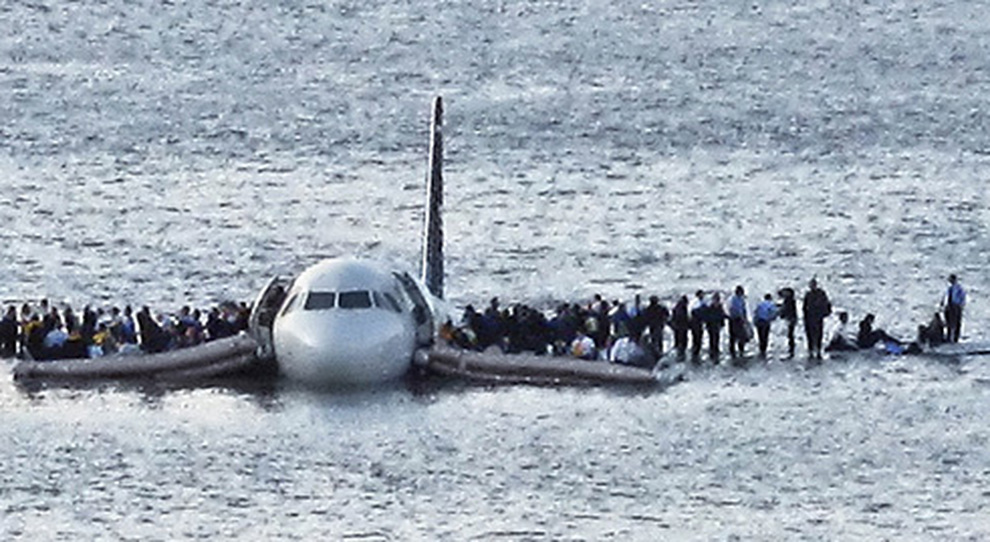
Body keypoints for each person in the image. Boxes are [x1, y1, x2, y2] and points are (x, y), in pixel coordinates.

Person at [802, 279, 832, 359]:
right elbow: (804, 307)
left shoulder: (820, 294)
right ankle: (811, 350)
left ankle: (817, 350)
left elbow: (827, 304)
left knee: (818, 334)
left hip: (817, 317)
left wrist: (825, 313)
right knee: (810, 334)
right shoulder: (809, 294)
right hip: (810, 317)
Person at [703, 292, 727, 362]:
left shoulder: (720, 307)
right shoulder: (710, 307)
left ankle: (716, 350)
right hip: (711, 325)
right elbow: (707, 317)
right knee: (712, 338)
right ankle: (712, 351)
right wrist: (707, 324)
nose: (716, 301)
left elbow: (722, 315)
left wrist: (722, 323)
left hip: (717, 325)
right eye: (715, 300)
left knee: (717, 338)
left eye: (717, 300)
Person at [728, 286, 749, 358]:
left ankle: (740, 349)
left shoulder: (741, 299)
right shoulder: (733, 299)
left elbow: (743, 309)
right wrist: (743, 318)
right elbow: (737, 310)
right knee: (734, 335)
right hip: (735, 319)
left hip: (739, 319)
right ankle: (733, 350)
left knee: (741, 335)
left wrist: (745, 318)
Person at [944, 274, 966, 343]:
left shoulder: (959, 288)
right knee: (949, 321)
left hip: (956, 305)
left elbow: (962, 297)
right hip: (949, 305)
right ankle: (949, 336)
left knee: (956, 322)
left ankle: (956, 338)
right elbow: (946, 297)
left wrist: (961, 305)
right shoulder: (949, 288)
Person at [778, 287, 798, 358]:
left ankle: (791, 351)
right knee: (790, 334)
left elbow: (787, 310)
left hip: (791, 319)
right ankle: (791, 350)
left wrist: (782, 313)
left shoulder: (789, 301)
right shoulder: (790, 300)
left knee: (790, 335)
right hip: (791, 318)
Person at [669, 295, 690, 359]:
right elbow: (682, 317)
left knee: (678, 340)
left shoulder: (677, 307)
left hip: (677, 327)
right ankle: (680, 354)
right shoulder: (682, 308)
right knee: (682, 340)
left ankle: (678, 351)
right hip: (681, 326)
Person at [689, 290, 707, 360]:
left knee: (698, 337)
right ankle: (695, 352)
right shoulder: (696, 302)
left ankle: (696, 351)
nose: (703, 296)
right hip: (696, 323)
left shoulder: (701, 302)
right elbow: (694, 312)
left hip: (698, 323)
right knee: (697, 337)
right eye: (702, 294)